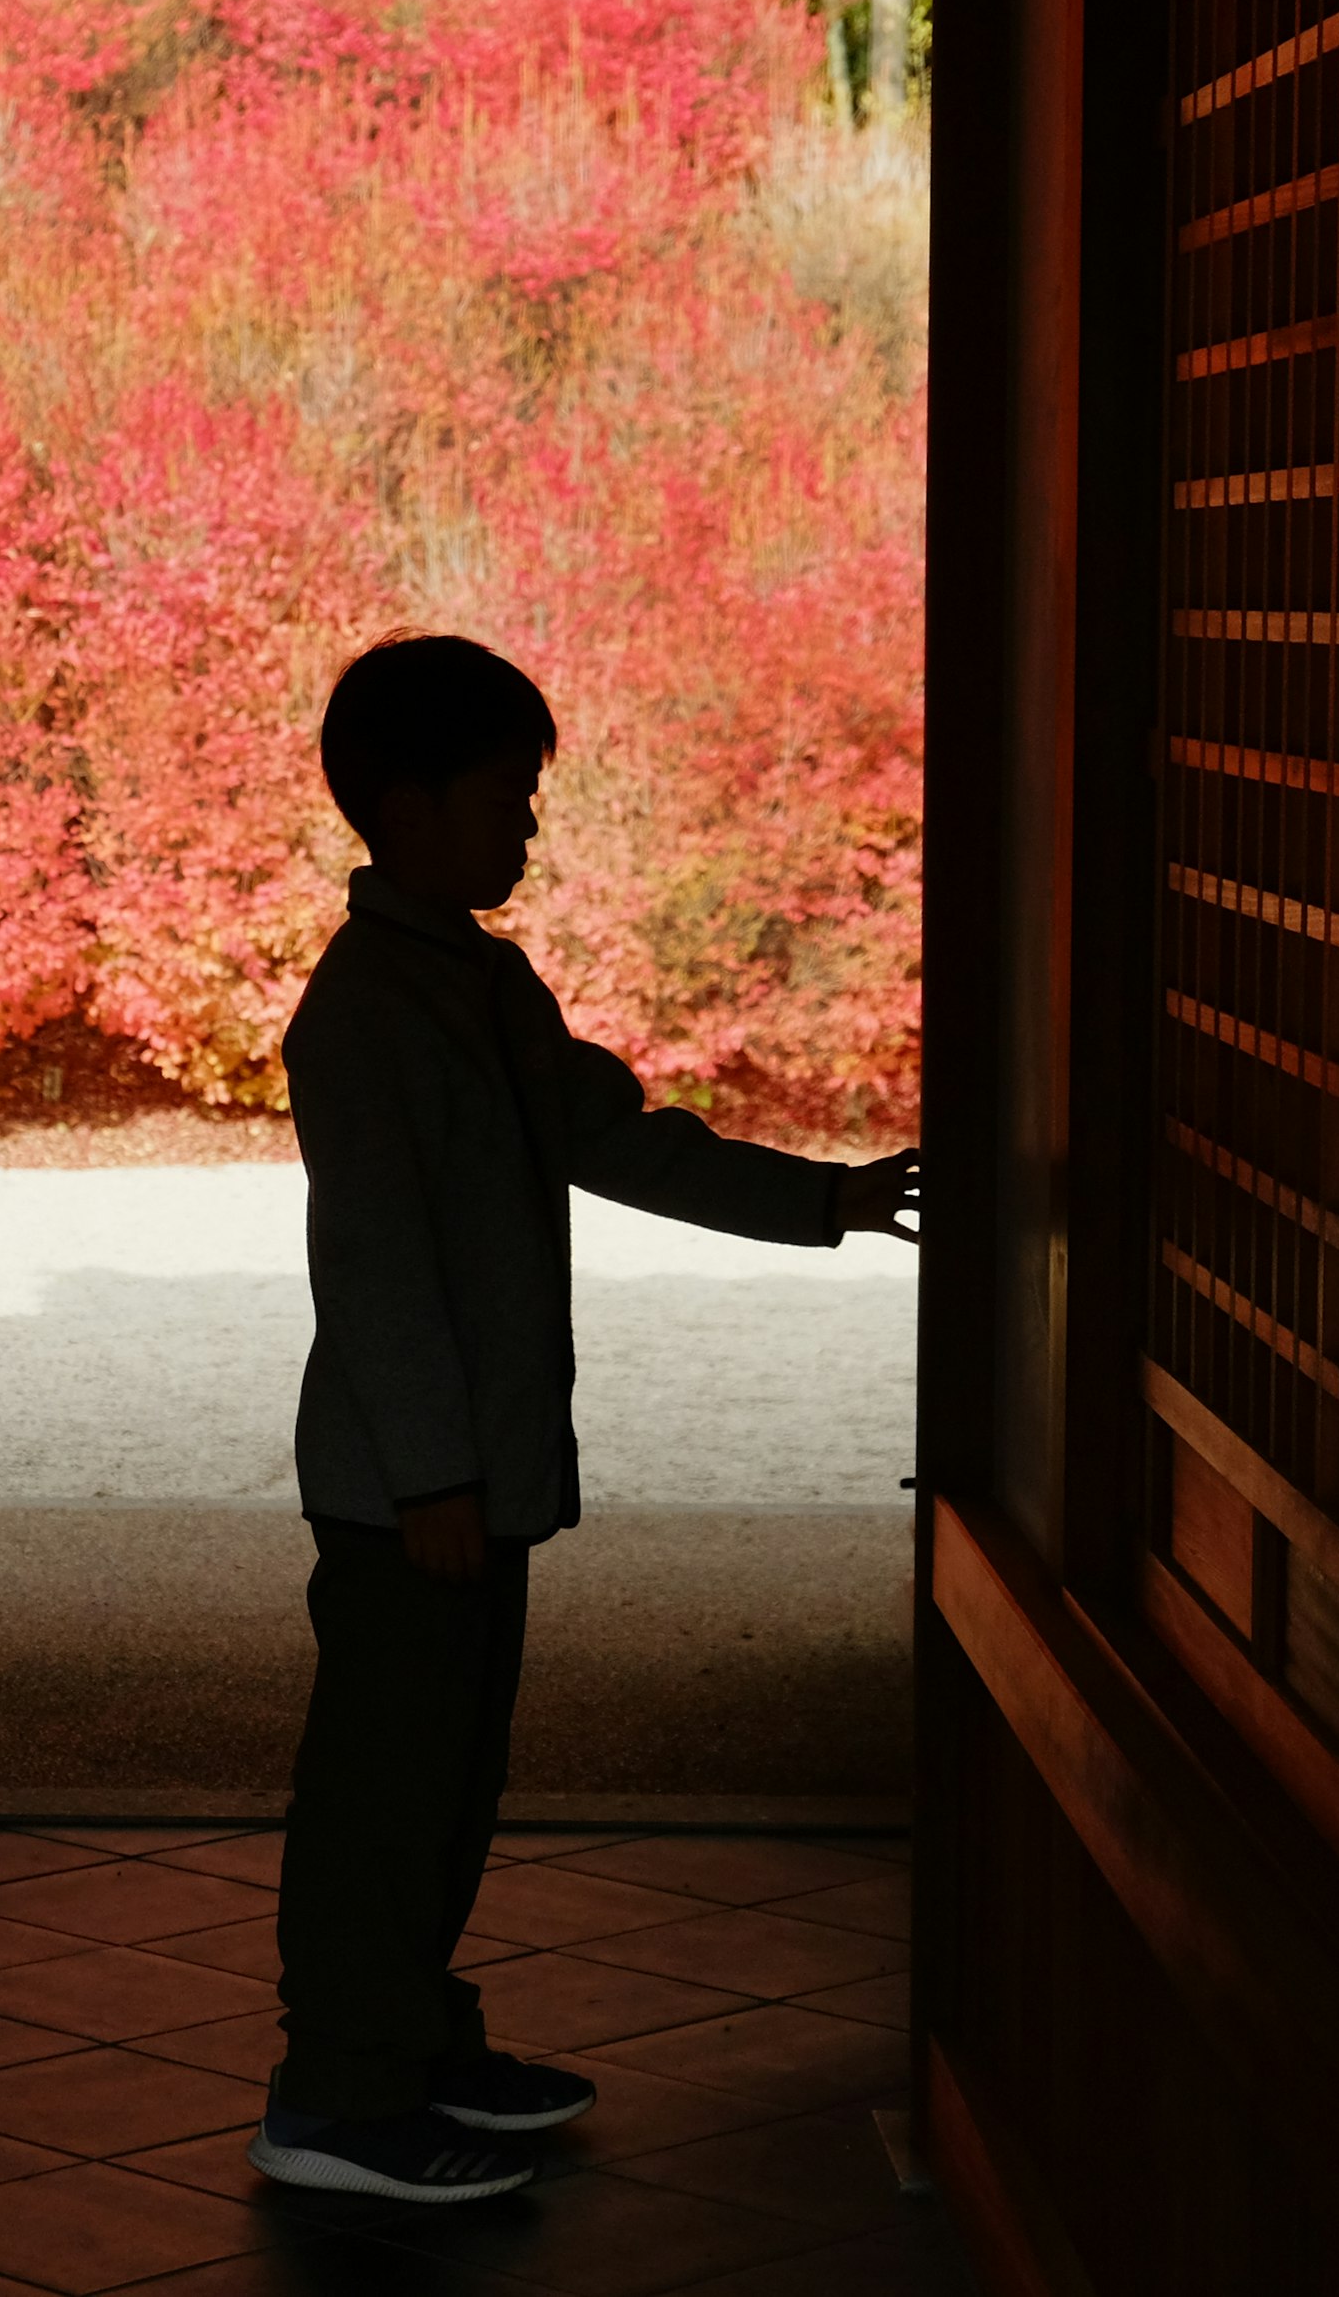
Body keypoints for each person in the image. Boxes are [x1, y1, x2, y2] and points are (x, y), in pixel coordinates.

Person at [245, 632, 921, 2204]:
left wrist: (828, 1201)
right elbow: (375, 1272)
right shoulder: (363, 1012)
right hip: (411, 1489)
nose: (528, 831)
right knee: (383, 1789)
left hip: (467, 1481)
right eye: (508, 800)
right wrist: (429, 1476)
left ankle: (412, 2046)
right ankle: (338, 2094)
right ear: (407, 810)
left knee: (453, 1778)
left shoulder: (477, 979)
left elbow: (620, 1141)